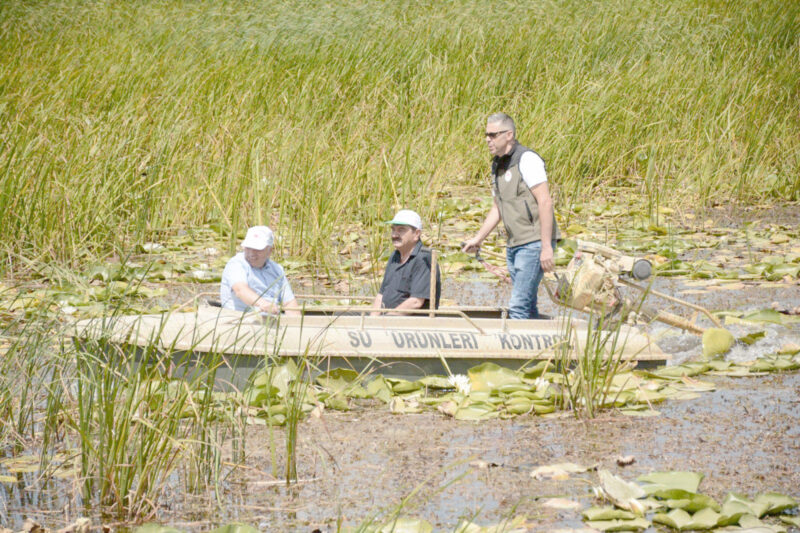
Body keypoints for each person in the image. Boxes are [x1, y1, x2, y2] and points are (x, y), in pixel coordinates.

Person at [462, 113, 559, 319]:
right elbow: (498, 207)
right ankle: (535, 344)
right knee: (528, 304)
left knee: (518, 305)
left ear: (509, 135)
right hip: (514, 244)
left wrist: (546, 247)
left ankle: (511, 346)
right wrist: (478, 239)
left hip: (533, 244)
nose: (487, 139)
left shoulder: (527, 160)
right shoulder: (497, 165)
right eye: (486, 135)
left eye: (493, 135)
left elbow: (545, 202)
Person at [372, 209, 441, 315]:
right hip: (386, 322)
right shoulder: (395, 255)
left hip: (408, 324)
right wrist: (372, 320)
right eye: (393, 230)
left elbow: (416, 302)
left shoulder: (423, 259)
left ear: (416, 234)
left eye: (401, 230)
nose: (394, 235)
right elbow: (381, 295)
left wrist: (385, 321)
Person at [220, 226, 301, 315]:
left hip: (273, 320)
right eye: (248, 248)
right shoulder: (236, 264)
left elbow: (289, 303)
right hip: (242, 319)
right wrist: (263, 304)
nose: (251, 253)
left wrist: (296, 323)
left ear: (270, 251)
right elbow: (240, 290)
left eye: (257, 250)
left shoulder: (277, 269)